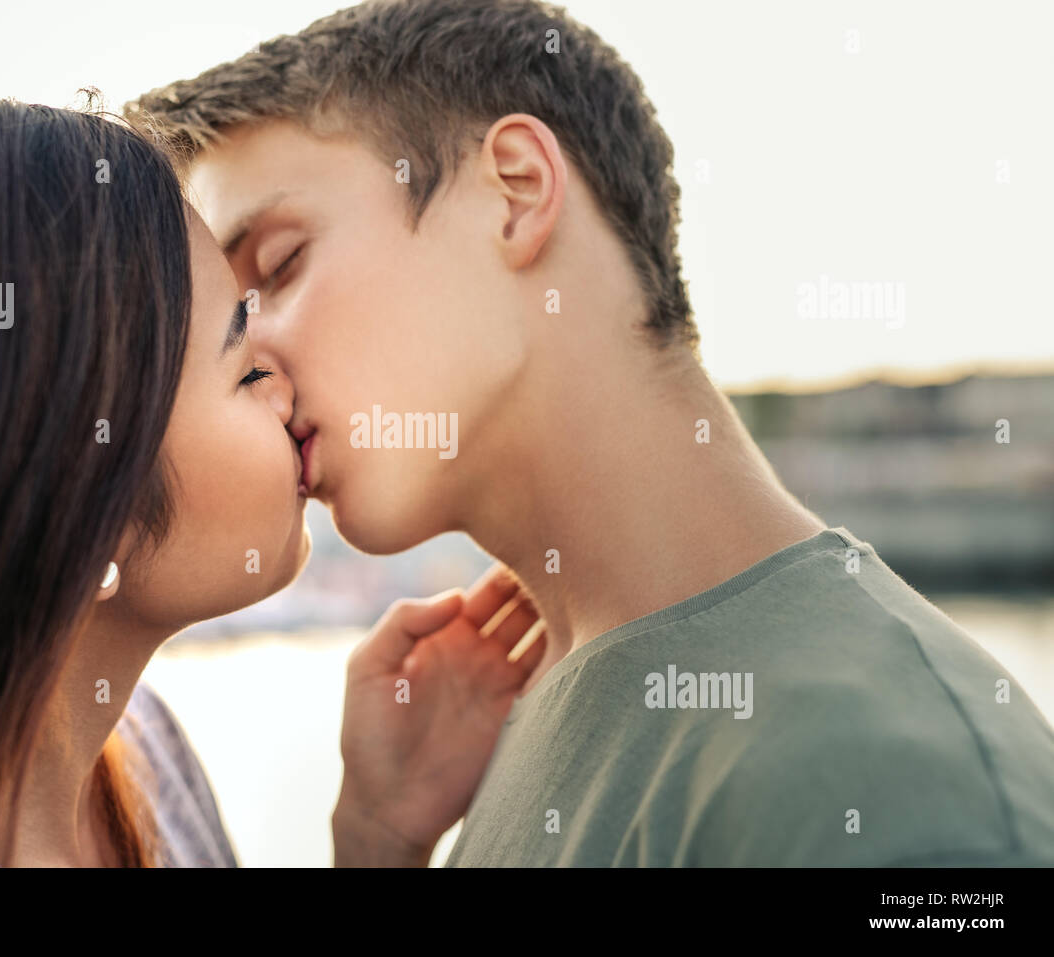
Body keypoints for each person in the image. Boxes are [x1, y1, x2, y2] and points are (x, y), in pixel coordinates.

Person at [127, 0, 1054, 865]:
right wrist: (376, 845)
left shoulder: (898, 787)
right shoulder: (504, 728)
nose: (255, 361)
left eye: (280, 268)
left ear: (517, 191)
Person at [0, 99, 544, 867]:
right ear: (89, 509)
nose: (287, 383)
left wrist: (376, 835)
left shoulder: (145, 754)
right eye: (243, 365)